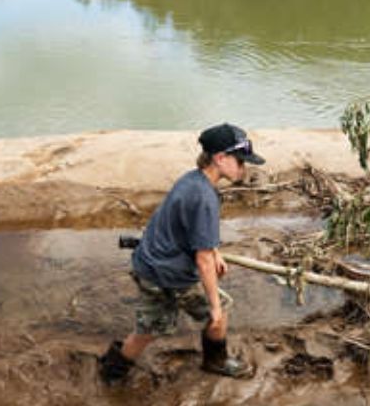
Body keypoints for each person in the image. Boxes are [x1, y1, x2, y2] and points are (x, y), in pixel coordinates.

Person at [98, 123, 264, 384]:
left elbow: (197, 237)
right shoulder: (204, 198)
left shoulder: (192, 180)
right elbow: (203, 260)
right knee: (211, 315)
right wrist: (215, 306)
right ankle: (213, 361)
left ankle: (112, 371)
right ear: (220, 159)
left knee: (148, 330)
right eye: (241, 161)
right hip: (165, 273)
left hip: (149, 262)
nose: (244, 168)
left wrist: (215, 250)